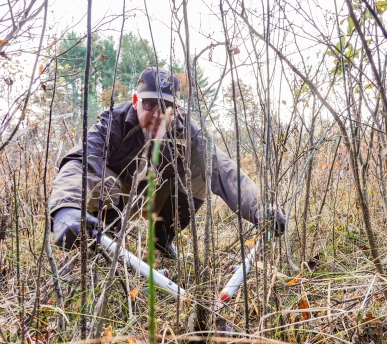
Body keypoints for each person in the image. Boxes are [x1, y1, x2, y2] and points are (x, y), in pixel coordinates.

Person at [49, 67, 285, 259]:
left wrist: (259, 208)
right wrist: (67, 210)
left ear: (177, 109)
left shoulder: (186, 129)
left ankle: (160, 242)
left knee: (201, 171)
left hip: (153, 197)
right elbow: (80, 161)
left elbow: (222, 168)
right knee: (100, 178)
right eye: (149, 104)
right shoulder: (113, 122)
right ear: (134, 101)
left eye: (165, 107)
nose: (156, 115)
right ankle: (103, 243)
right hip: (115, 201)